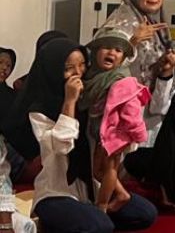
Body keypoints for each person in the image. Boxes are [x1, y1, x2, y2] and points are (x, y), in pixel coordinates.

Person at [9, 37, 156, 233]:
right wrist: (69, 102)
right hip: (57, 193)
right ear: (53, 70)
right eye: (68, 68)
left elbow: (112, 133)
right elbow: (61, 146)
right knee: (99, 225)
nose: (77, 73)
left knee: (144, 213)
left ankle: (82, 219)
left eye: (82, 65)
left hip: (92, 190)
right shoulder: (40, 109)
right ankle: (58, 221)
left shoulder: (90, 99)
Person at [100, 0, 175, 142]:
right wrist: (134, 41)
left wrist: (166, 65)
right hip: (121, 112)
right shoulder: (119, 23)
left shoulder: (156, 25)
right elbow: (104, 65)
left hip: (150, 111)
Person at [81, 28, 151, 214]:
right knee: (97, 170)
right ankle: (121, 194)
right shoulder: (94, 76)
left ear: (122, 58)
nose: (111, 52)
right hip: (100, 131)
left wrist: (135, 134)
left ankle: (101, 206)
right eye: (106, 47)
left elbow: (132, 111)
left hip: (116, 133)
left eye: (118, 50)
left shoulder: (122, 80)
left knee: (110, 168)